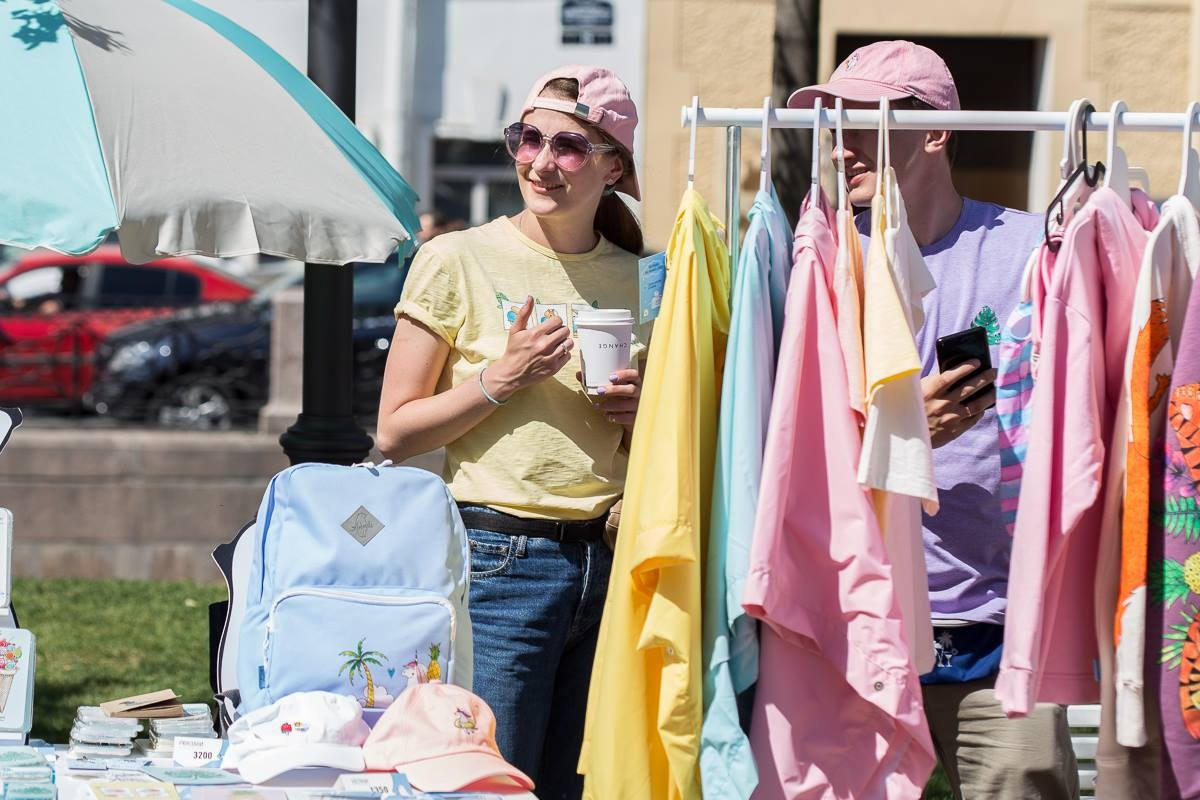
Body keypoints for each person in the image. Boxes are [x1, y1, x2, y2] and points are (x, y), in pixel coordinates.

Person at [788, 41, 1079, 799]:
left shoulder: (1028, 251)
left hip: (1001, 622)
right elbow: (786, 445)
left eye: (865, 121)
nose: (842, 143)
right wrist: (897, 432)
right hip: (859, 621)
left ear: (937, 131)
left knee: (1024, 783)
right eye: (834, 124)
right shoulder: (819, 262)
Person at [376, 65, 648, 800]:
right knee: (490, 785)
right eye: (529, 139)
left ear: (612, 165)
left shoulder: (646, 277)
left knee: (579, 786)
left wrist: (645, 411)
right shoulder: (455, 258)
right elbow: (395, 433)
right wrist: (500, 379)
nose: (540, 162)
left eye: (568, 146)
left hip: (616, 557)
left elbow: (670, 438)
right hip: (501, 559)